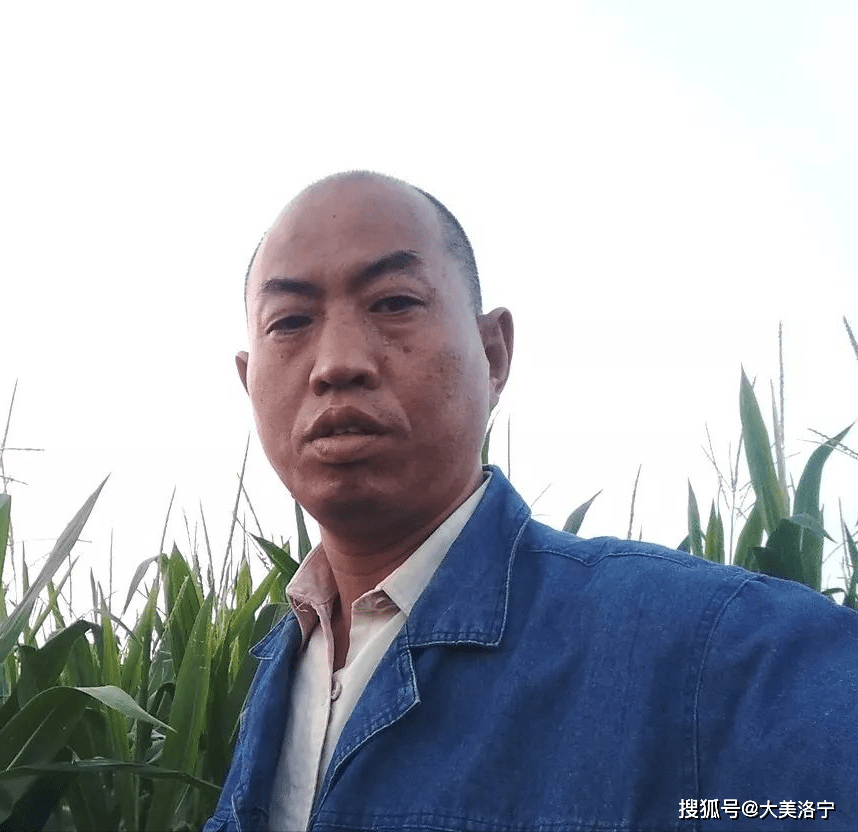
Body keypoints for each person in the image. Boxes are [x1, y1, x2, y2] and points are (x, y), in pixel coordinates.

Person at [205, 171, 858, 831]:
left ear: (493, 354)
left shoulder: (716, 654)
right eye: (290, 321)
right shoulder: (278, 669)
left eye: (393, 302)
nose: (337, 363)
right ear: (248, 381)